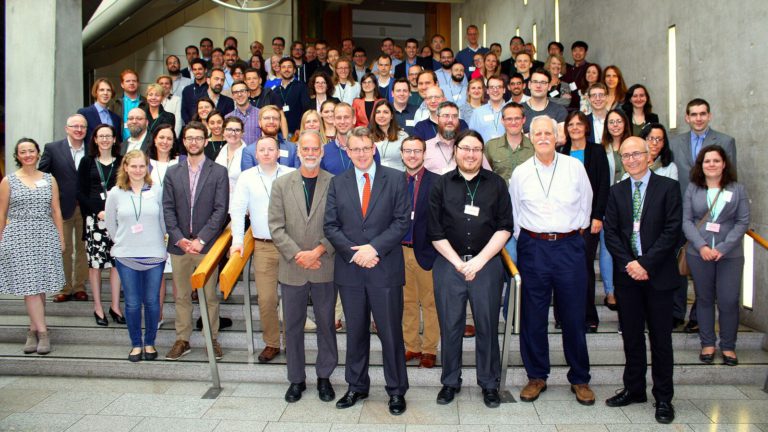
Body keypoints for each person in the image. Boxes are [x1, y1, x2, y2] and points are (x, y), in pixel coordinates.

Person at [324, 127, 410, 416]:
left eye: (365, 148)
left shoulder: (395, 179)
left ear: (374, 149)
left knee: (390, 333)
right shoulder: (337, 182)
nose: (361, 153)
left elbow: (401, 222)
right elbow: (330, 225)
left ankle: (396, 390)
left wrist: (373, 249)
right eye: (355, 149)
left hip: (384, 268)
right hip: (351, 271)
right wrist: (355, 254)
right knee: (356, 333)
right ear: (348, 152)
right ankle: (356, 386)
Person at [509, 115, 594, 405]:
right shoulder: (521, 172)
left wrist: (569, 231)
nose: (544, 137)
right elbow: (514, 213)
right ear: (530, 137)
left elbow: (586, 204)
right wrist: (532, 238)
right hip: (533, 248)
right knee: (533, 316)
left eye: (548, 133)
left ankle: (580, 378)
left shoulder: (574, 167)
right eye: (538, 133)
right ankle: (536, 376)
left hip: (569, 246)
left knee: (573, 316)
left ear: (557, 137)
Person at [428, 130, 512, 408]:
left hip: (486, 265)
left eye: (476, 149)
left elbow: (505, 227)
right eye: (465, 148)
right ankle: (450, 382)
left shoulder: (496, 184)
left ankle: (489, 383)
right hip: (448, 264)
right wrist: (458, 263)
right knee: (450, 325)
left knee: (487, 325)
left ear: (482, 153)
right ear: (455, 151)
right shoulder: (441, 184)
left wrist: (479, 261)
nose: (470, 154)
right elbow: (434, 230)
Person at [603, 136, 682, 424]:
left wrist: (645, 263)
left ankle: (663, 398)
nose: (632, 159)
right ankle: (634, 389)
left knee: (661, 339)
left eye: (637, 154)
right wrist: (630, 264)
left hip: (658, 274)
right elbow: (611, 232)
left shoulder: (668, 188)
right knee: (632, 336)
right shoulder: (616, 191)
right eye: (626, 155)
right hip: (628, 276)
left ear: (649, 156)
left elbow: (673, 230)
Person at [267, 130, 337, 402]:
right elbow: (276, 226)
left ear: (322, 151)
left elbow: (340, 223)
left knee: (326, 325)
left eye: (314, 149)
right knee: (293, 327)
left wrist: (318, 250)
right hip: (292, 267)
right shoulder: (281, 184)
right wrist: (298, 255)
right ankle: (296, 379)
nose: (310, 153)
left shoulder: (334, 183)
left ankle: (324, 377)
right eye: (305, 149)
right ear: (298, 152)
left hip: (324, 265)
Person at [163, 121, 229, 361]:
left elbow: (220, 210)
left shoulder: (218, 172)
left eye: (198, 138)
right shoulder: (173, 172)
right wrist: (179, 239)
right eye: (189, 138)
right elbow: (167, 208)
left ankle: (212, 339)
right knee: (181, 296)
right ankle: (182, 339)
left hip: (206, 247)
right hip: (179, 247)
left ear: (205, 141)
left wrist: (201, 239)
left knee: (209, 296)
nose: (193, 142)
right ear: (184, 141)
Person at [669, 98, 737, 333]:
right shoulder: (674, 142)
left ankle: (698, 316)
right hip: (680, 213)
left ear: (709, 116)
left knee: (705, 269)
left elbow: (731, 180)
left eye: (702, 114)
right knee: (678, 262)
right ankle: (676, 312)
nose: (698, 118)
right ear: (686, 118)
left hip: (710, 216)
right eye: (694, 114)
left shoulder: (725, 142)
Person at [231, 135, 296, 363]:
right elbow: (238, 210)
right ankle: (272, 343)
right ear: (256, 154)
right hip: (264, 246)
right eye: (262, 150)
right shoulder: (247, 177)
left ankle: (292, 342)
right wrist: (237, 241)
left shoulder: (291, 174)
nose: (267, 153)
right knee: (266, 299)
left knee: (292, 298)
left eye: (271, 149)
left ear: (278, 153)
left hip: (290, 246)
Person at [683, 145, 749, 366]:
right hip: (698, 253)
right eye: (707, 161)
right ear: (701, 165)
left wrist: (723, 247)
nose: (711, 164)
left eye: (716, 160)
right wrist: (702, 246)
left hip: (729, 255)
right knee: (704, 299)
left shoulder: (737, 189)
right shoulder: (693, 188)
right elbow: (686, 220)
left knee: (729, 300)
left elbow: (742, 222)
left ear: (724, 164)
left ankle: (728, 346)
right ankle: (708, 344)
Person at [0, 138, 66, 355]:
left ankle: (33, 330)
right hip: (18, 236)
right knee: (29, 287)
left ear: (38, 154)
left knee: (39, 285)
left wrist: (61, 238)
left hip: (45, 234)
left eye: (31, 151)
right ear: (17, 156)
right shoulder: (8, 181)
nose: (27, 155)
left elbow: (56, 210)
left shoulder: (49, 179)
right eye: (23, 151)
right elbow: (1, 212)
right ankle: (44, 333)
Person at [105, 150, 166, 362]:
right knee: (131, 303)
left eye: (142, 166)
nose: (138, 170)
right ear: (125, 167)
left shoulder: (157, 190)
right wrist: (122, 242)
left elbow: (163, 220)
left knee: (152, 301)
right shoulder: (115, 193)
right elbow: (110, 223)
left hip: (154, 254)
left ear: (147, 168)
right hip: (126, 255)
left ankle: (149, 342)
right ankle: (136, 344)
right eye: (134, 166)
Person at [555, 111, 610, 332]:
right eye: (571, 124)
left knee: (584, 267)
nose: (575, 128)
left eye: (579, 124)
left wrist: (597, 216)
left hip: (588, 221)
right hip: (564, 221)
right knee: (561, 268)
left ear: (586, 127)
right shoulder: (561, 152)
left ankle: (588, 317)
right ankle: (562, 316)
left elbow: (603, 185)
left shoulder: (597, 151)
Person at [399, 136, 440, 369]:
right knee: (407, 303)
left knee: (430, 303)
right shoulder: (394, 181)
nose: (412, 155)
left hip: (427, 252)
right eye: (408, 151)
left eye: (417, 151)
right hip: (400, 252)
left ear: (424, 154)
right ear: (402, 154)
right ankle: (412, 345)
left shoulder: (438, 182)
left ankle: (429, 349)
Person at [77, 124, 124, 327]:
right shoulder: (87, 161)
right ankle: (98, 307)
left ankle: (115, 307)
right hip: (94, 220)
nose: (105, 139)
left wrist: (114, 212)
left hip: (119, 220)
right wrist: (98, 211)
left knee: (116, 264)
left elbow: (127, 189)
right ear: (95, 139)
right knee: (95, 266)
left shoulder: (122, 161)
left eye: (108, 136)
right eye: (101, 136)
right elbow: (80, 192)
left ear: (114, 139)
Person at [41, 115, 89, 304]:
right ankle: (65, 287)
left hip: (86, 208)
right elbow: (43, 175)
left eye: (82, 126)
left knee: (83, 249)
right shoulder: (52, 148)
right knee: (64, 248)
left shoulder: (92, 148)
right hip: (61, 207)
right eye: (75, 126)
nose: (79, 129)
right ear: (66, 128)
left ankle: (79, 287)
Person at [599, 109, 632, 310]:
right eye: (611, 122)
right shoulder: (602, 149)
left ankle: (627, 287)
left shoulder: (634, 145)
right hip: (609, 204)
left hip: (631, 204)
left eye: (619, 121)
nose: (615, 125)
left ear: (625, 123)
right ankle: (610, 292)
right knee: (607, 248)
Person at [146, 124, 179, 326]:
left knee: (178, 275)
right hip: (151, 226)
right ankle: (156, 316)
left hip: (176, 225)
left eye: (169, 138)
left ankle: (181, 318)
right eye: (161, 137)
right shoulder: (145, 164)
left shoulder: (180, 163)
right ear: (155, 139)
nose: (165, 142)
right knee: (156, 275)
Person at [484, 102, 534, 185]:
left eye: (517, 118)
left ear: (523, 120)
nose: (513, 122)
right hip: (499, 193)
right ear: (502, 121)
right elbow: (485, 175)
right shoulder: (491, 146)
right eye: (509, 119)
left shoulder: (533, 146)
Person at [240, 105, 300, 169]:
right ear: (259, 123)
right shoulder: (249, 151)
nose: (271, 121)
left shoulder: (292, 148)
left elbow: (297, 174)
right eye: (267, 118)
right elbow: (248, 175)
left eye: (275, 118)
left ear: (280, 123)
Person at [522, 70, 568, 134]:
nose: (538, 86)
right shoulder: (518, 110)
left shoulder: (560, 111)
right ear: (529, 85)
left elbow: (561, 137)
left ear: (549, 87)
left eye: (543, 82)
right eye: (535, 82)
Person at [77, 78, 122, 145]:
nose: (105, 93)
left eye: (108, 90)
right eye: (102, 90)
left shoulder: (116, 118)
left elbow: (118, 142)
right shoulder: (84, 113)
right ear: (96, 92)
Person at [215, 117, 247, 204]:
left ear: (243, 133)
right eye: (229, 129)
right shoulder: (217, 153)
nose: (233, 133)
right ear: (223, 132)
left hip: (241, 204)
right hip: (219, 204)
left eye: (237, 130)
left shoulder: (249, 155)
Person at [369, 100, 407, 171]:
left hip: (397, 175)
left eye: (385, 112)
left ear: (391, 116)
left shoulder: (403, 136)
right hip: (376, 175)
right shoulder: (368, 137)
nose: (381, 116)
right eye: (378, 112)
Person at [468, 75, 506, 142]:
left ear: (504, 90)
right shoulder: (477, 113)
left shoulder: (513, 111)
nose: (495, 90)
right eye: (492, 87)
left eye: (499, 87)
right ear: (487, 91)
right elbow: (471, 138)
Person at [225, 80, 261, 146]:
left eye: (242, 91)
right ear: (233, 96)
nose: (239, 94)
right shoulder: (228, 118)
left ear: (248, 93)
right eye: (236, 92)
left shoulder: (260, 114)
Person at [181, 58, 210, 124]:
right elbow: (183, 110)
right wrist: (190, 124)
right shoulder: (187, 90)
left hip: (208, 125)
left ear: (205, 70)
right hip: (191, 125)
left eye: (200, 69)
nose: (197, 72)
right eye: (195, 69)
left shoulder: (211, 88)